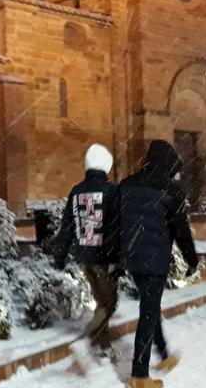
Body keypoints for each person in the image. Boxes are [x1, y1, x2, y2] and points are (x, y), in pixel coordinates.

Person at [119, 140, 199, 388]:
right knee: (149, 311)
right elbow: (181, 230)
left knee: (150, 307)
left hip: (131, 259)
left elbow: (116, 220)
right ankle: (139, 375)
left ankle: (163, 354)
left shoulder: (126, 184)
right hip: (154, 261)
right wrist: (192, 259)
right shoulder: (171, 191)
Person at [53, 144, 121, 363]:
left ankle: (104, 345)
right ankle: (89, 338)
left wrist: (60, 255)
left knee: (101, 301)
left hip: (84, 256)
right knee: (109, 303)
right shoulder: (112, 191)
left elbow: (67, 226)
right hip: (104, 258)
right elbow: (116, 228)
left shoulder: (76, 191)